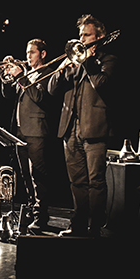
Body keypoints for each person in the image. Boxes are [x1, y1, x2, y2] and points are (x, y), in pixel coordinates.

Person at [48, 14, 117, 237]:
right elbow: (51, 90)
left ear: (99, 37)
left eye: (86, 35)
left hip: (94, 129)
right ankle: (77, 225)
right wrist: (61, 69)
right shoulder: (75, 62)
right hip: (70, 130)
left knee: (96, 182)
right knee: (76, 182)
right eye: (80, 35)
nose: (82, 39)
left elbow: (102, 84)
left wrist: (87, 60)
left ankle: (95, 227)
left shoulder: (108, 60)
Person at [1, 39, 56, 229]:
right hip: (21, 131)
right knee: (25, 175)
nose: (28, 56)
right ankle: (32, 211)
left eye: (32, 52)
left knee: (38, 176)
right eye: (27, 53)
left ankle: (41, 217)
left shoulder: (48, 73)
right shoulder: (27, 74)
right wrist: (7, 76)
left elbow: (39, 97)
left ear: (43, 54)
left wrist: (21, 76)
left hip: (37, 131)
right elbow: (8, 95)